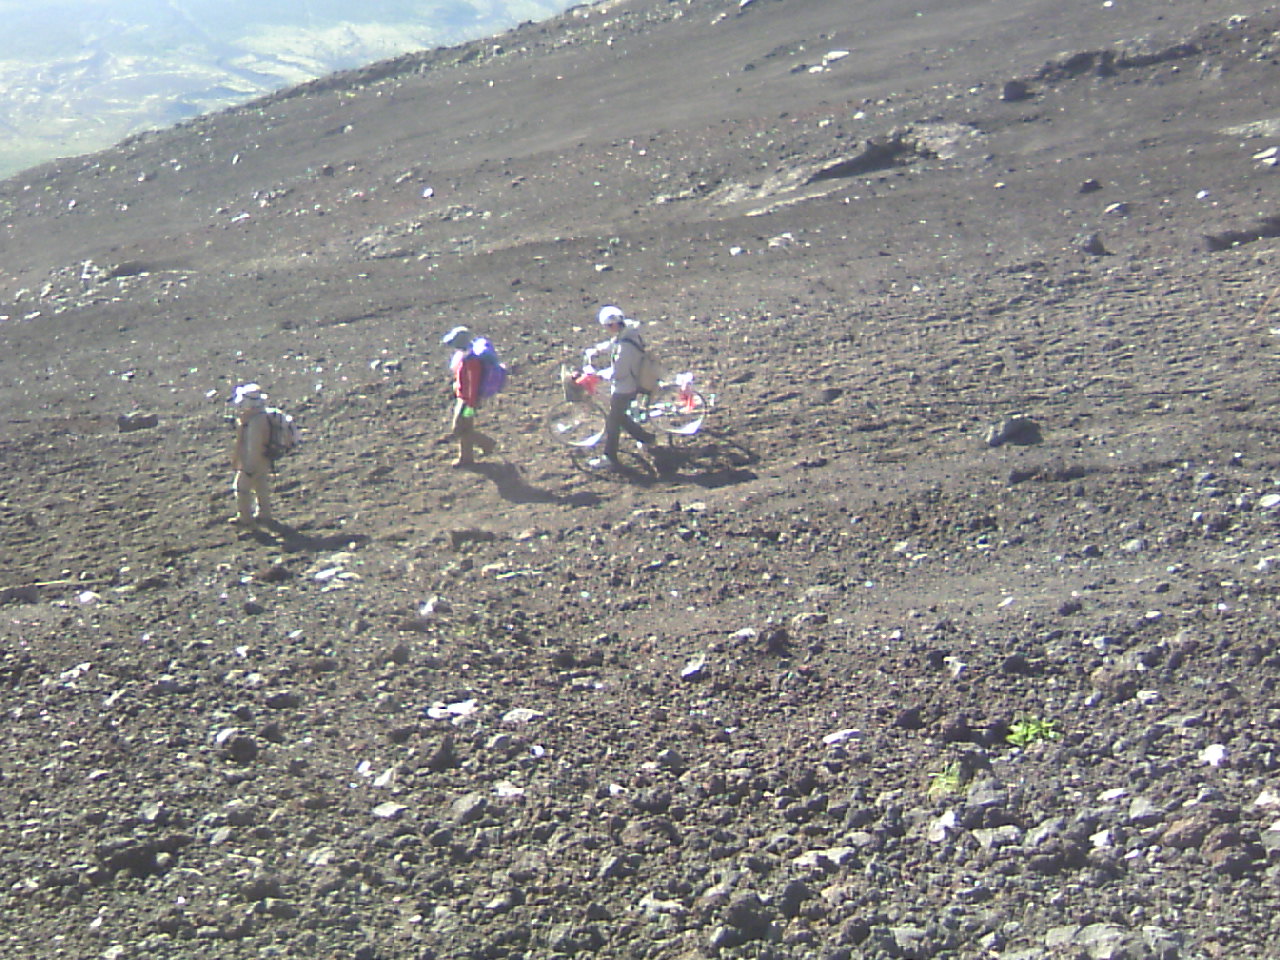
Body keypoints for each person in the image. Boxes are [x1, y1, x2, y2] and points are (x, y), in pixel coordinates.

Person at [588, 304, 656, 468]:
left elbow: (619, 372)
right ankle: (646, 438)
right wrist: (597, 350)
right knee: (619, 416)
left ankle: (609, 457)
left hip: (626, 387)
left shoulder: (625, 347)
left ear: (613, 325)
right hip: (629, 381)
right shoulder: (628, 332)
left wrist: (598, 375)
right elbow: (614, 343)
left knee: (613, 421)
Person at [442, 326, 498, 467]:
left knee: (459, 428)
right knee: (466, 429)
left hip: (468, 402)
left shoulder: (471, 361)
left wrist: (470, 405)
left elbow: (472, 385)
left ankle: (487, 443)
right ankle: (466, 458)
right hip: (465, 399)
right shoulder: (465, 356)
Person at [228, 382, 274, 528]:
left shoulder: (255, 422)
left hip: (254, 461)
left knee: (241, 487)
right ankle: (264, 514)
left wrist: (248, 468)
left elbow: (253, 447)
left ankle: (245, 518)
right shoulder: (260, 417)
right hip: (264, 458)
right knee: (260, 485)